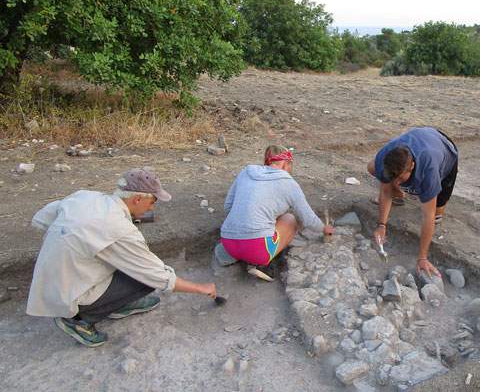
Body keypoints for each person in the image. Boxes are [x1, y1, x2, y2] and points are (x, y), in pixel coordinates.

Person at [26, 168, 218, 347]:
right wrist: (202, 288)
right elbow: (158, 275)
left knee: (127, 262)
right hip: (70, 293)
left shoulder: (85, 197)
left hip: (53, 280)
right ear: (136, 199)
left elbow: (41, 218)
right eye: (152, 202)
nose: (152, 208)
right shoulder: (120, 230)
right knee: (146, 278)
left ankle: (115, 304)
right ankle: (78, 320)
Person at [217, 145, 334, 281]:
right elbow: (307, 218)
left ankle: (235, 255)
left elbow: (228, 207)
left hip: (228, 243)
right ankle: (263, 265)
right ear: (285, 164)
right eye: (290, 165)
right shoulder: (288, 182)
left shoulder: (246, 172)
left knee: (272, 218)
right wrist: (324, 228)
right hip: (257, 251)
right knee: (290, 219)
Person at [367, 127, 459, 277]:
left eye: (401, 179)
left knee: (436, 214)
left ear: (412, 167)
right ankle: (399, 195)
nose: (396, 182)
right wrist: (381, 225)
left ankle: (418, 195)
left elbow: (427, 217)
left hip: (444, 148)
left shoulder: (428, 169)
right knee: (373, 169)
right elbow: (385, 191)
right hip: (421, 137)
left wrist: (422, 258)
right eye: (394, 179)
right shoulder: (384, 158)